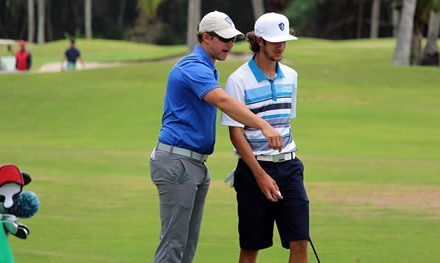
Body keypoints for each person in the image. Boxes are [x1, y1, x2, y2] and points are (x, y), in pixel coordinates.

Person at [149, 11, 284, 263]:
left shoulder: (207, 68)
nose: (230, 45)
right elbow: (222, 101)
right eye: (224, 39)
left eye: (232, 39)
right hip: (177, 162)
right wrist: (263, 125)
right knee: (173, 246)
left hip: (194, 164)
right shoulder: (193, 67)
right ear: (206, 38)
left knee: (187, 245)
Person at [220, 13, 310, 263]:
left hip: (290, 167)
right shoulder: (238, 80)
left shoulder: (291, 76)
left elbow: (285, 122)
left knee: (300, 240)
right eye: (274, 41)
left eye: (284, 41)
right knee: (251, 246)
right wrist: (260, 175)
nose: (280, 46)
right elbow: (235, 133)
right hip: (253, 169)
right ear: (259, 41)